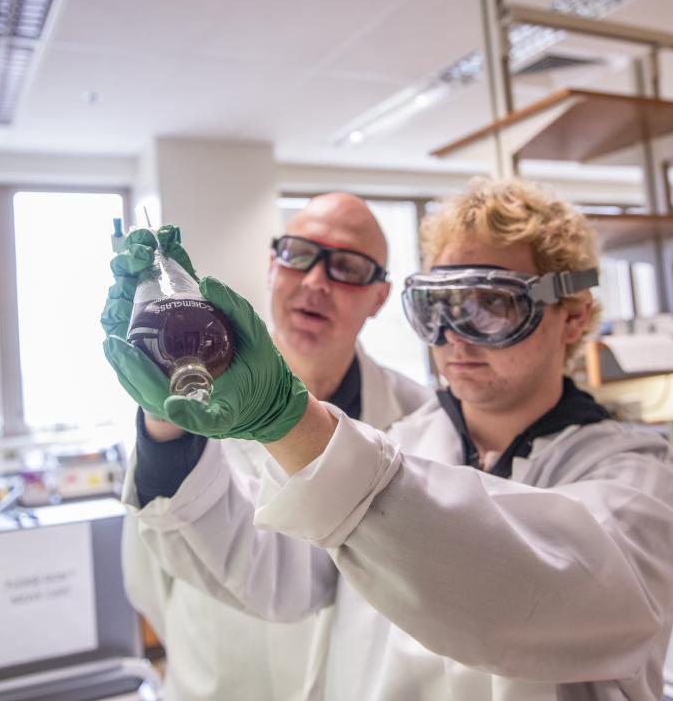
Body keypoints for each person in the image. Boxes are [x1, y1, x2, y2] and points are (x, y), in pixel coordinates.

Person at [104, 178, 673, 700]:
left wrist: (288, 424)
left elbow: (538, 592)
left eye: (490, 306)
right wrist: (171, 427)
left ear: (571, 315)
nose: (453, 337)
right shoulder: (398, 440)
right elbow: (278, 575)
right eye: (437, 307)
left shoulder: (640, 479)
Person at [104, 194, 431, 701]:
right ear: (273, 265)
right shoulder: (189, 402)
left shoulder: (419, 416)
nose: (317, 281)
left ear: (380, 297)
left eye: (346, 266)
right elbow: (147, 578)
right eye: (299, 254)